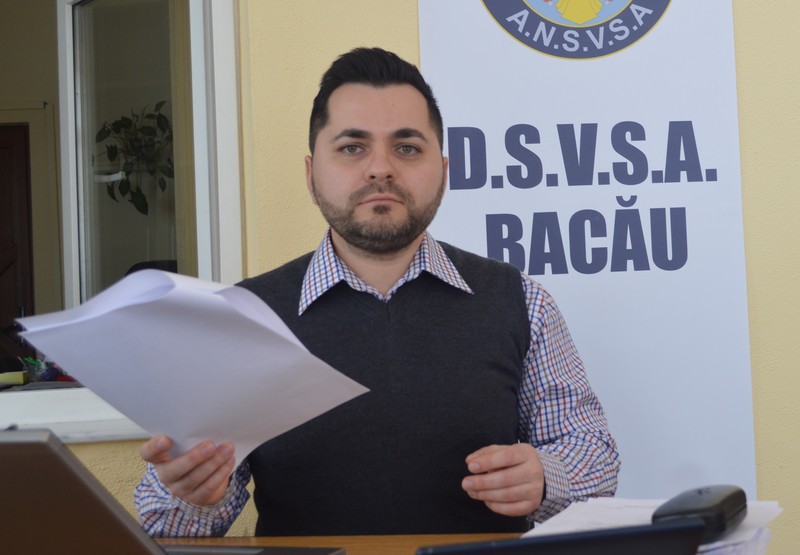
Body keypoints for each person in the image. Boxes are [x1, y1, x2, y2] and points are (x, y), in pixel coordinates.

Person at [134, 47, 620, 537]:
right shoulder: (247, 317)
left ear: (444, 172)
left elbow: (595, 459)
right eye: (352, 147)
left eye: (407, 148)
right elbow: (163, 520)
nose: (380, 169)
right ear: (310, 175)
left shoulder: (521, 301)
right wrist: (192, 493)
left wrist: (545, 477)